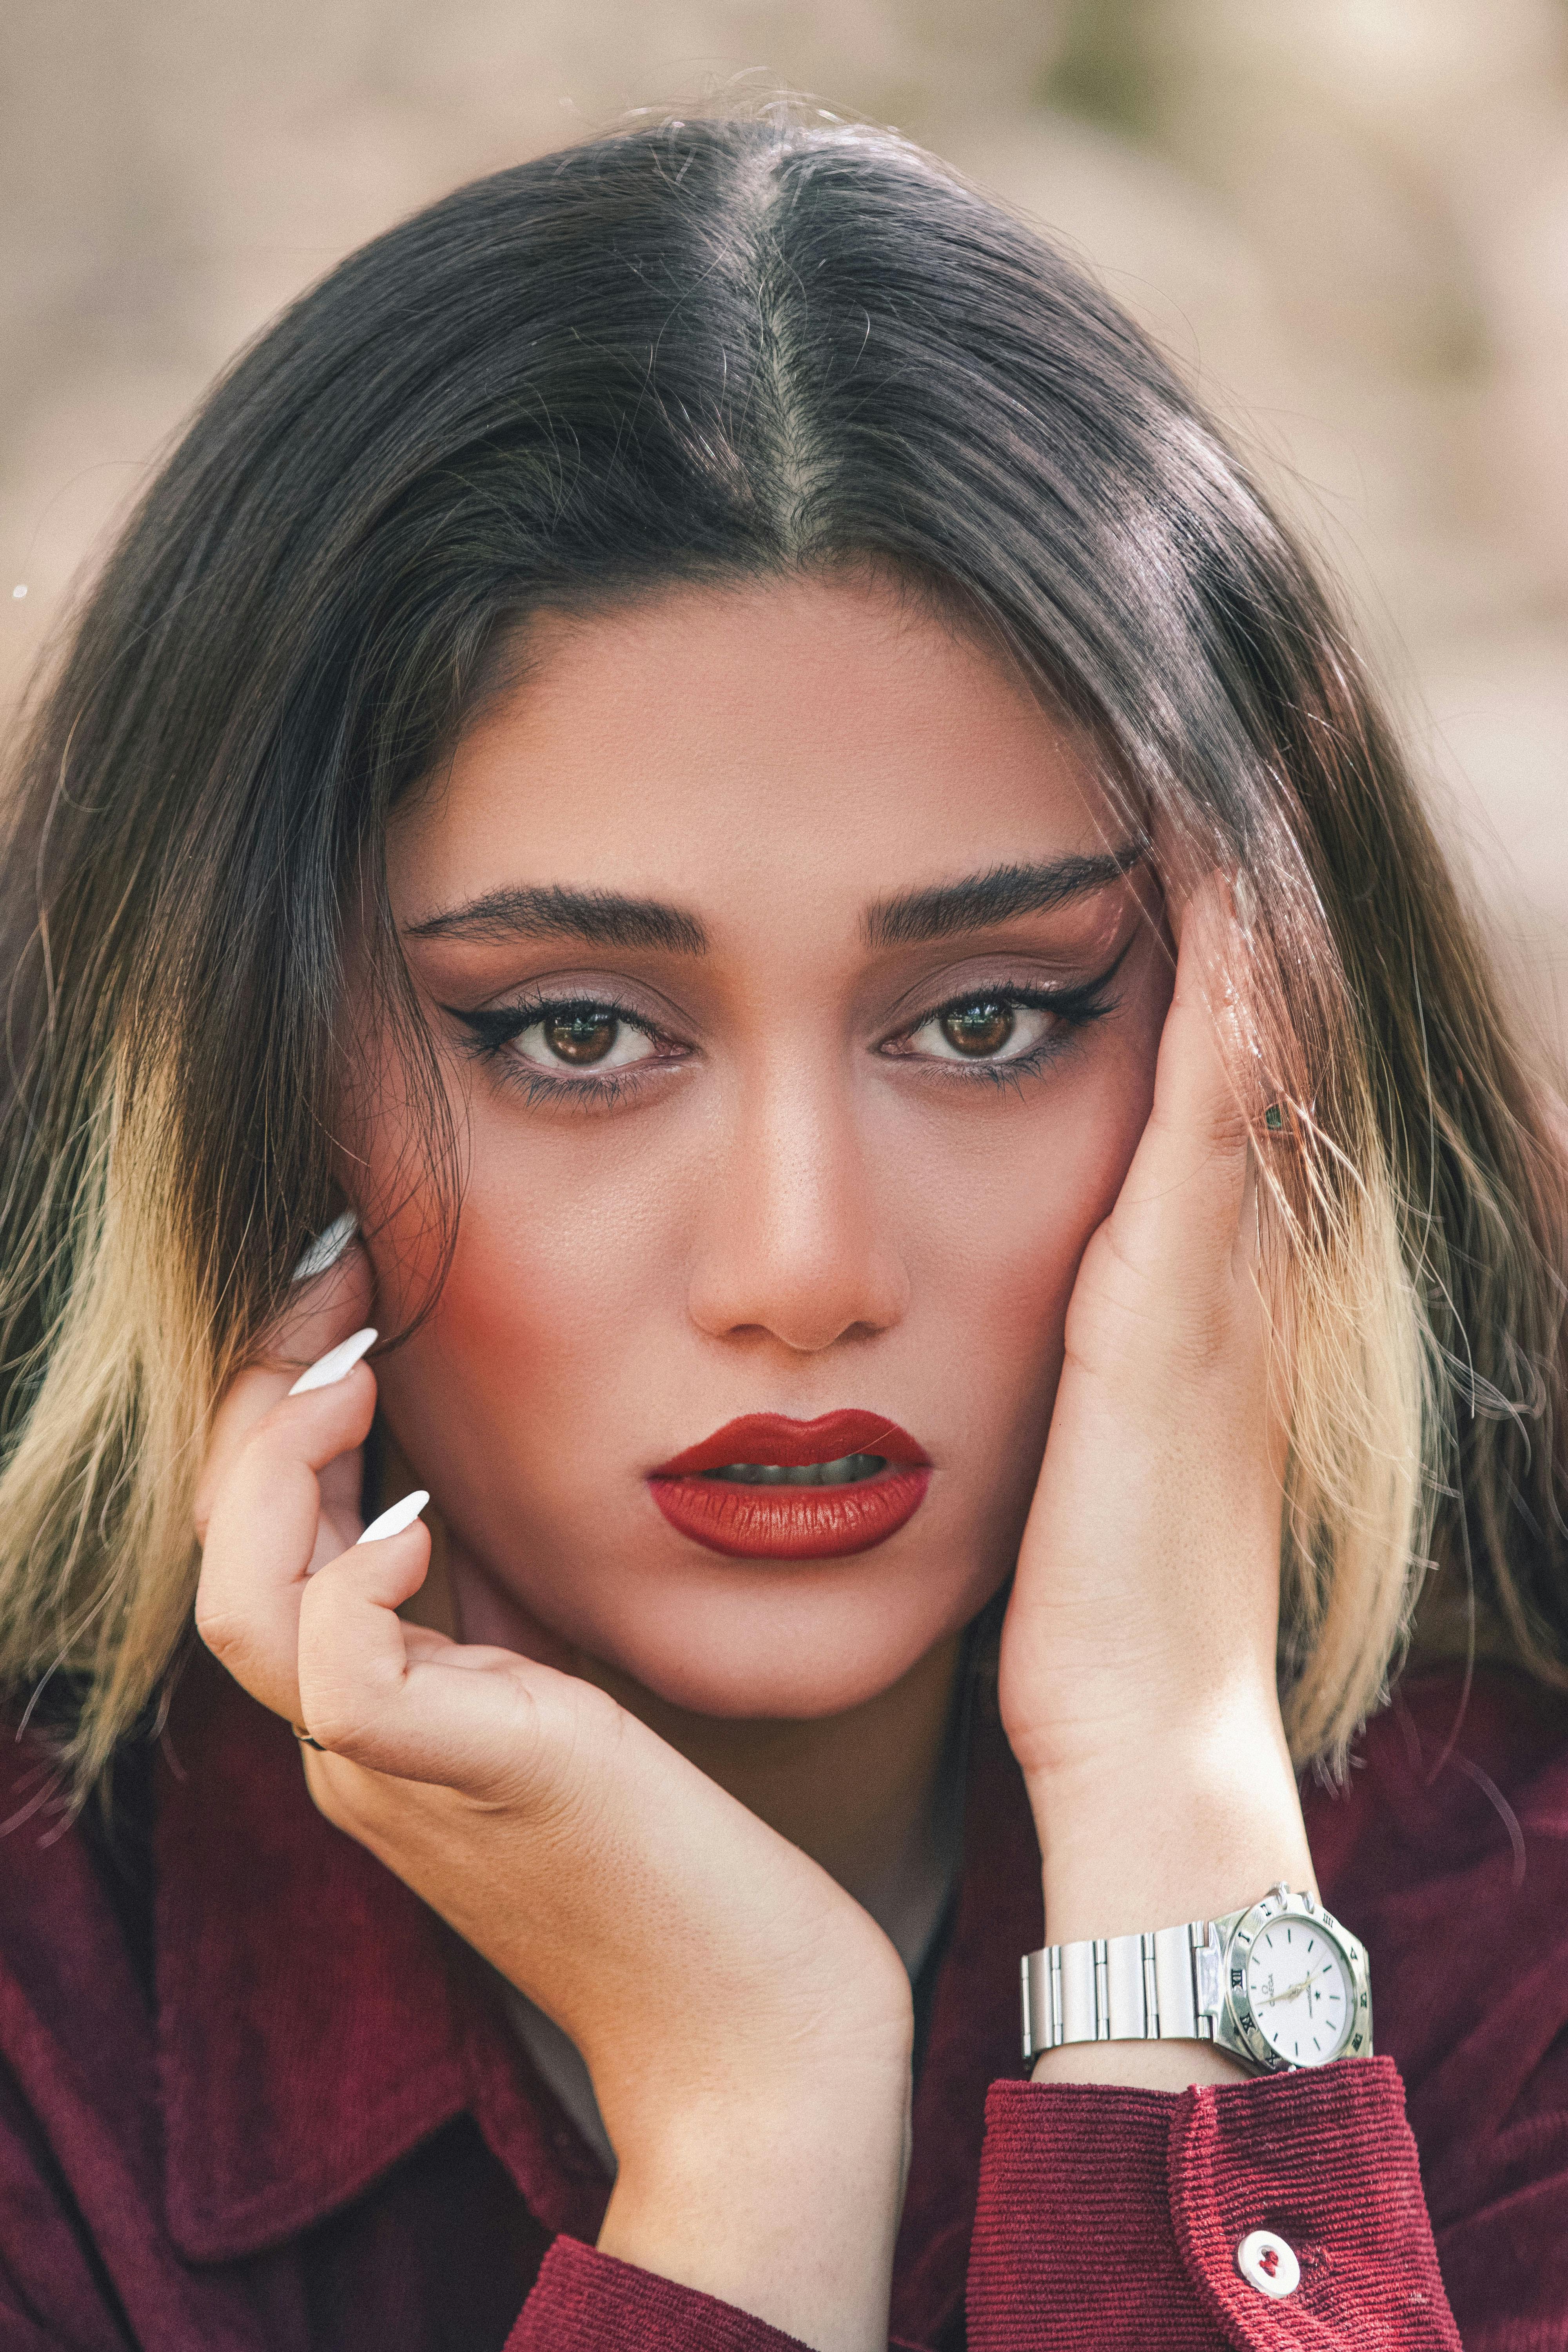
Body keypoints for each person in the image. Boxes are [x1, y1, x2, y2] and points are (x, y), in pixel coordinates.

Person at [1, 111, 1566, 2352]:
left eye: (994, 1016)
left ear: (1262, 1057)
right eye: (571, 1034)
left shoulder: (1515, 1913)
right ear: (233, 1077)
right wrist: (752, 2132)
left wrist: (1174, 1810)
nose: (803, 1264)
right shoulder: (45, 2026)